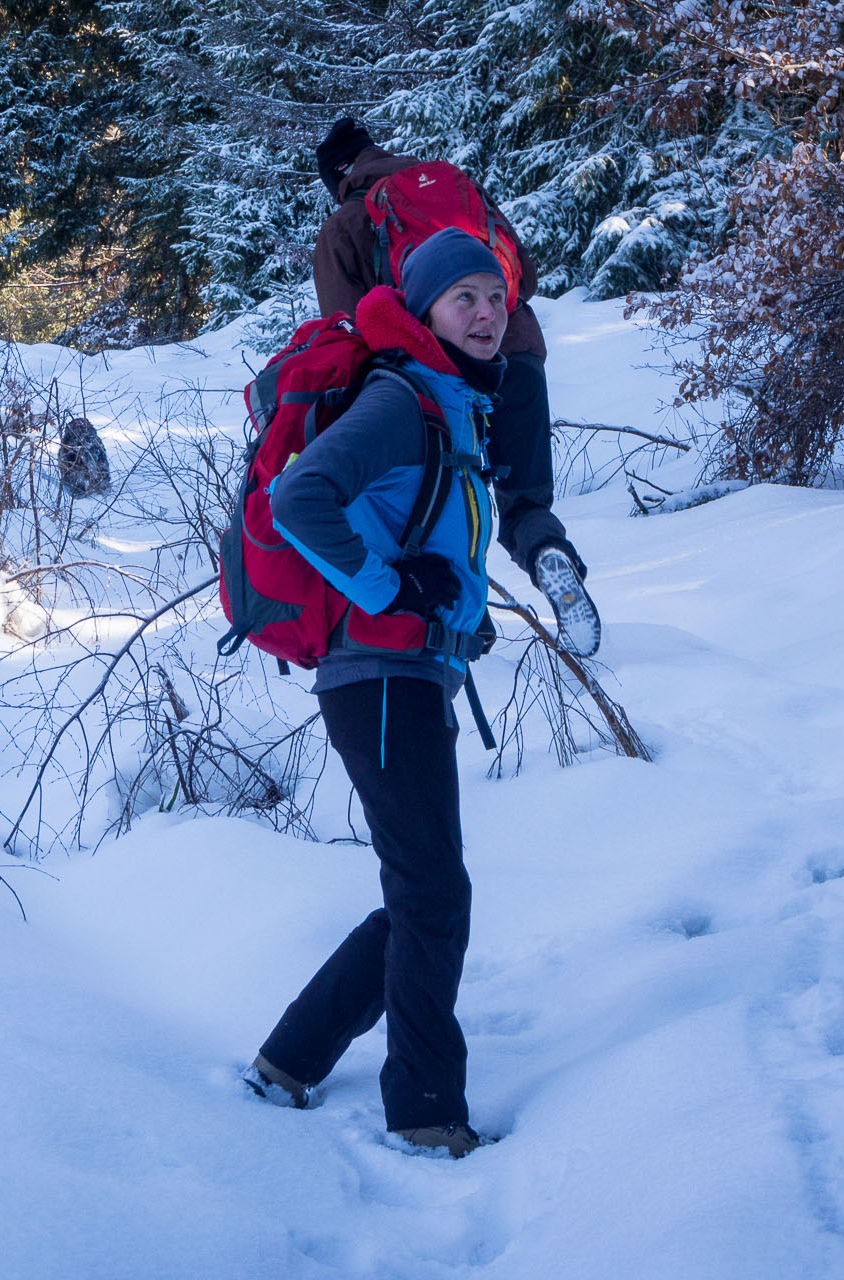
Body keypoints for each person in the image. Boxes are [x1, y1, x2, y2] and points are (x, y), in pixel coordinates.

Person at [239, 229, 574, 1158]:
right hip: (376, 676)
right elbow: (299, 500)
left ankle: (292, 1059)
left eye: (494, 299)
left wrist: (455, 614)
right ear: (424, 309)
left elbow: (432, 543)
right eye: (462, 296)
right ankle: (424, 1113)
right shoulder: (403, 399)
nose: (484, 312)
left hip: (409, 675)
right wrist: (391, 592)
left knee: (422, 889)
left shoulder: (457, 406)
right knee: (433, 894)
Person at [311, 118, 595, 650]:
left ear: (339, 175)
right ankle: (545, 549)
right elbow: (523, 278)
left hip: (433, 383)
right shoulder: (450, 184)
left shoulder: (344, 226)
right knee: (522, 496)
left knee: (435, 498)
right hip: (517, 356)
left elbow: (345, 332)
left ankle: (464, 617)